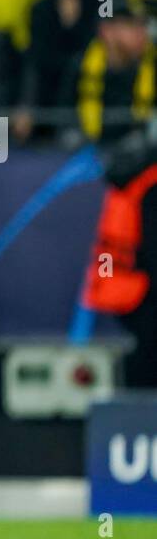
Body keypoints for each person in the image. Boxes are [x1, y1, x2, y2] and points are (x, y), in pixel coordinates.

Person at [80, 123, 157, 387]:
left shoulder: (135, 176)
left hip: (120, 283)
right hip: (143, 289)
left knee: (142, 353)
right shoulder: (151, 184)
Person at [13, 0, 107, 142]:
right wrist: (26, 106)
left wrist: (76, 24)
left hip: (99, 92)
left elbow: (106, 35)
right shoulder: (41, 6)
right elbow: (36, 58)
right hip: (54, 97)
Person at [60, 0, 154, 146]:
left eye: (143, 25)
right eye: (131, 25)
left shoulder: (152, 65)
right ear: (107, 31)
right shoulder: (81, 65)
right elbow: (61, 117)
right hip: (91, 153)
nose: (142, 33)